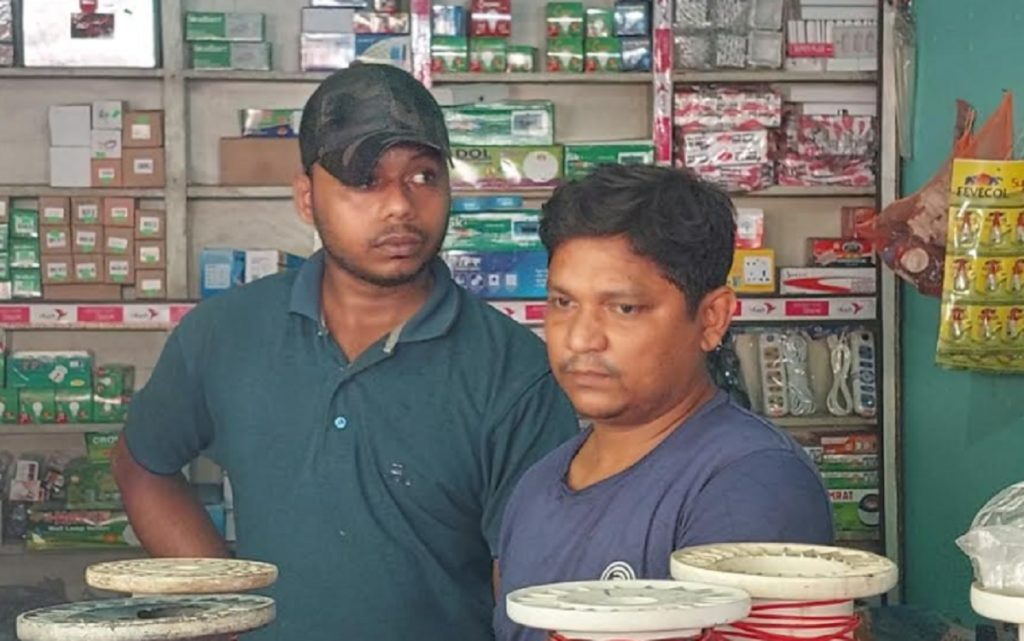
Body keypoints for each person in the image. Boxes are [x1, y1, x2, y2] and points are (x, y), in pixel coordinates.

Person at [111, 64, 578, 641]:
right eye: (365, 181)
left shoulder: (514, 372)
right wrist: (223, 606)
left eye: (424, 176)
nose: (400, 206)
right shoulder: (225, 332)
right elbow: (141, 464)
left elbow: (531, 590)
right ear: (307, 198)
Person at [495, 165, 834, 641]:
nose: (580, 338)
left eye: (624, 308)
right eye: (563, 303)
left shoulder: (752, 484)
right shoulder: (537, 485)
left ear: (712, 318)